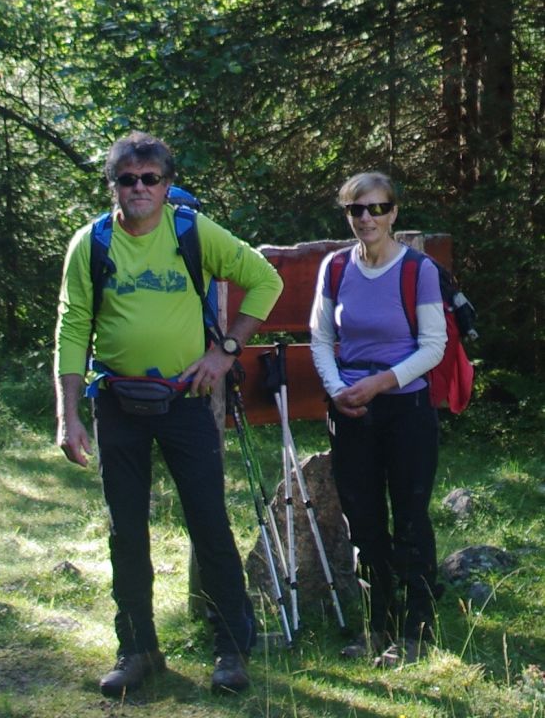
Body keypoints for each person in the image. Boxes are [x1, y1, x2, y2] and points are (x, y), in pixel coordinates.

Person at [54, 131, 283, 696]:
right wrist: (68, 414)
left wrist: (224, 349)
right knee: (125, 531)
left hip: (184, 402)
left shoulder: (191, 231)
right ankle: (137, 648)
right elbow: (71, 325)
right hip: (117, 405)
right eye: (126, 178)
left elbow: (264, 280)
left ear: (166, 183)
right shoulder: (92, 243)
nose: (139, 188)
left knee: (208, 522)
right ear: (112, 184)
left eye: (150, 178)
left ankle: (231, 649)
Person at [309, 171, 447, 667]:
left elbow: (434, 346)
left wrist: (380, 383)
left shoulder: (418, 270)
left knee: (409, 519)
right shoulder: (335, 267)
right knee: (363, 522)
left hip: (406, 408)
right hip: (350, 409)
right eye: (356, 210)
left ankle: (416, 631)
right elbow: (321, 338)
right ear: (347, 214)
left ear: (394, 213)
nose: (367, 218)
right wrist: (339, 391)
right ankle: (376, 625)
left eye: (377, 208)